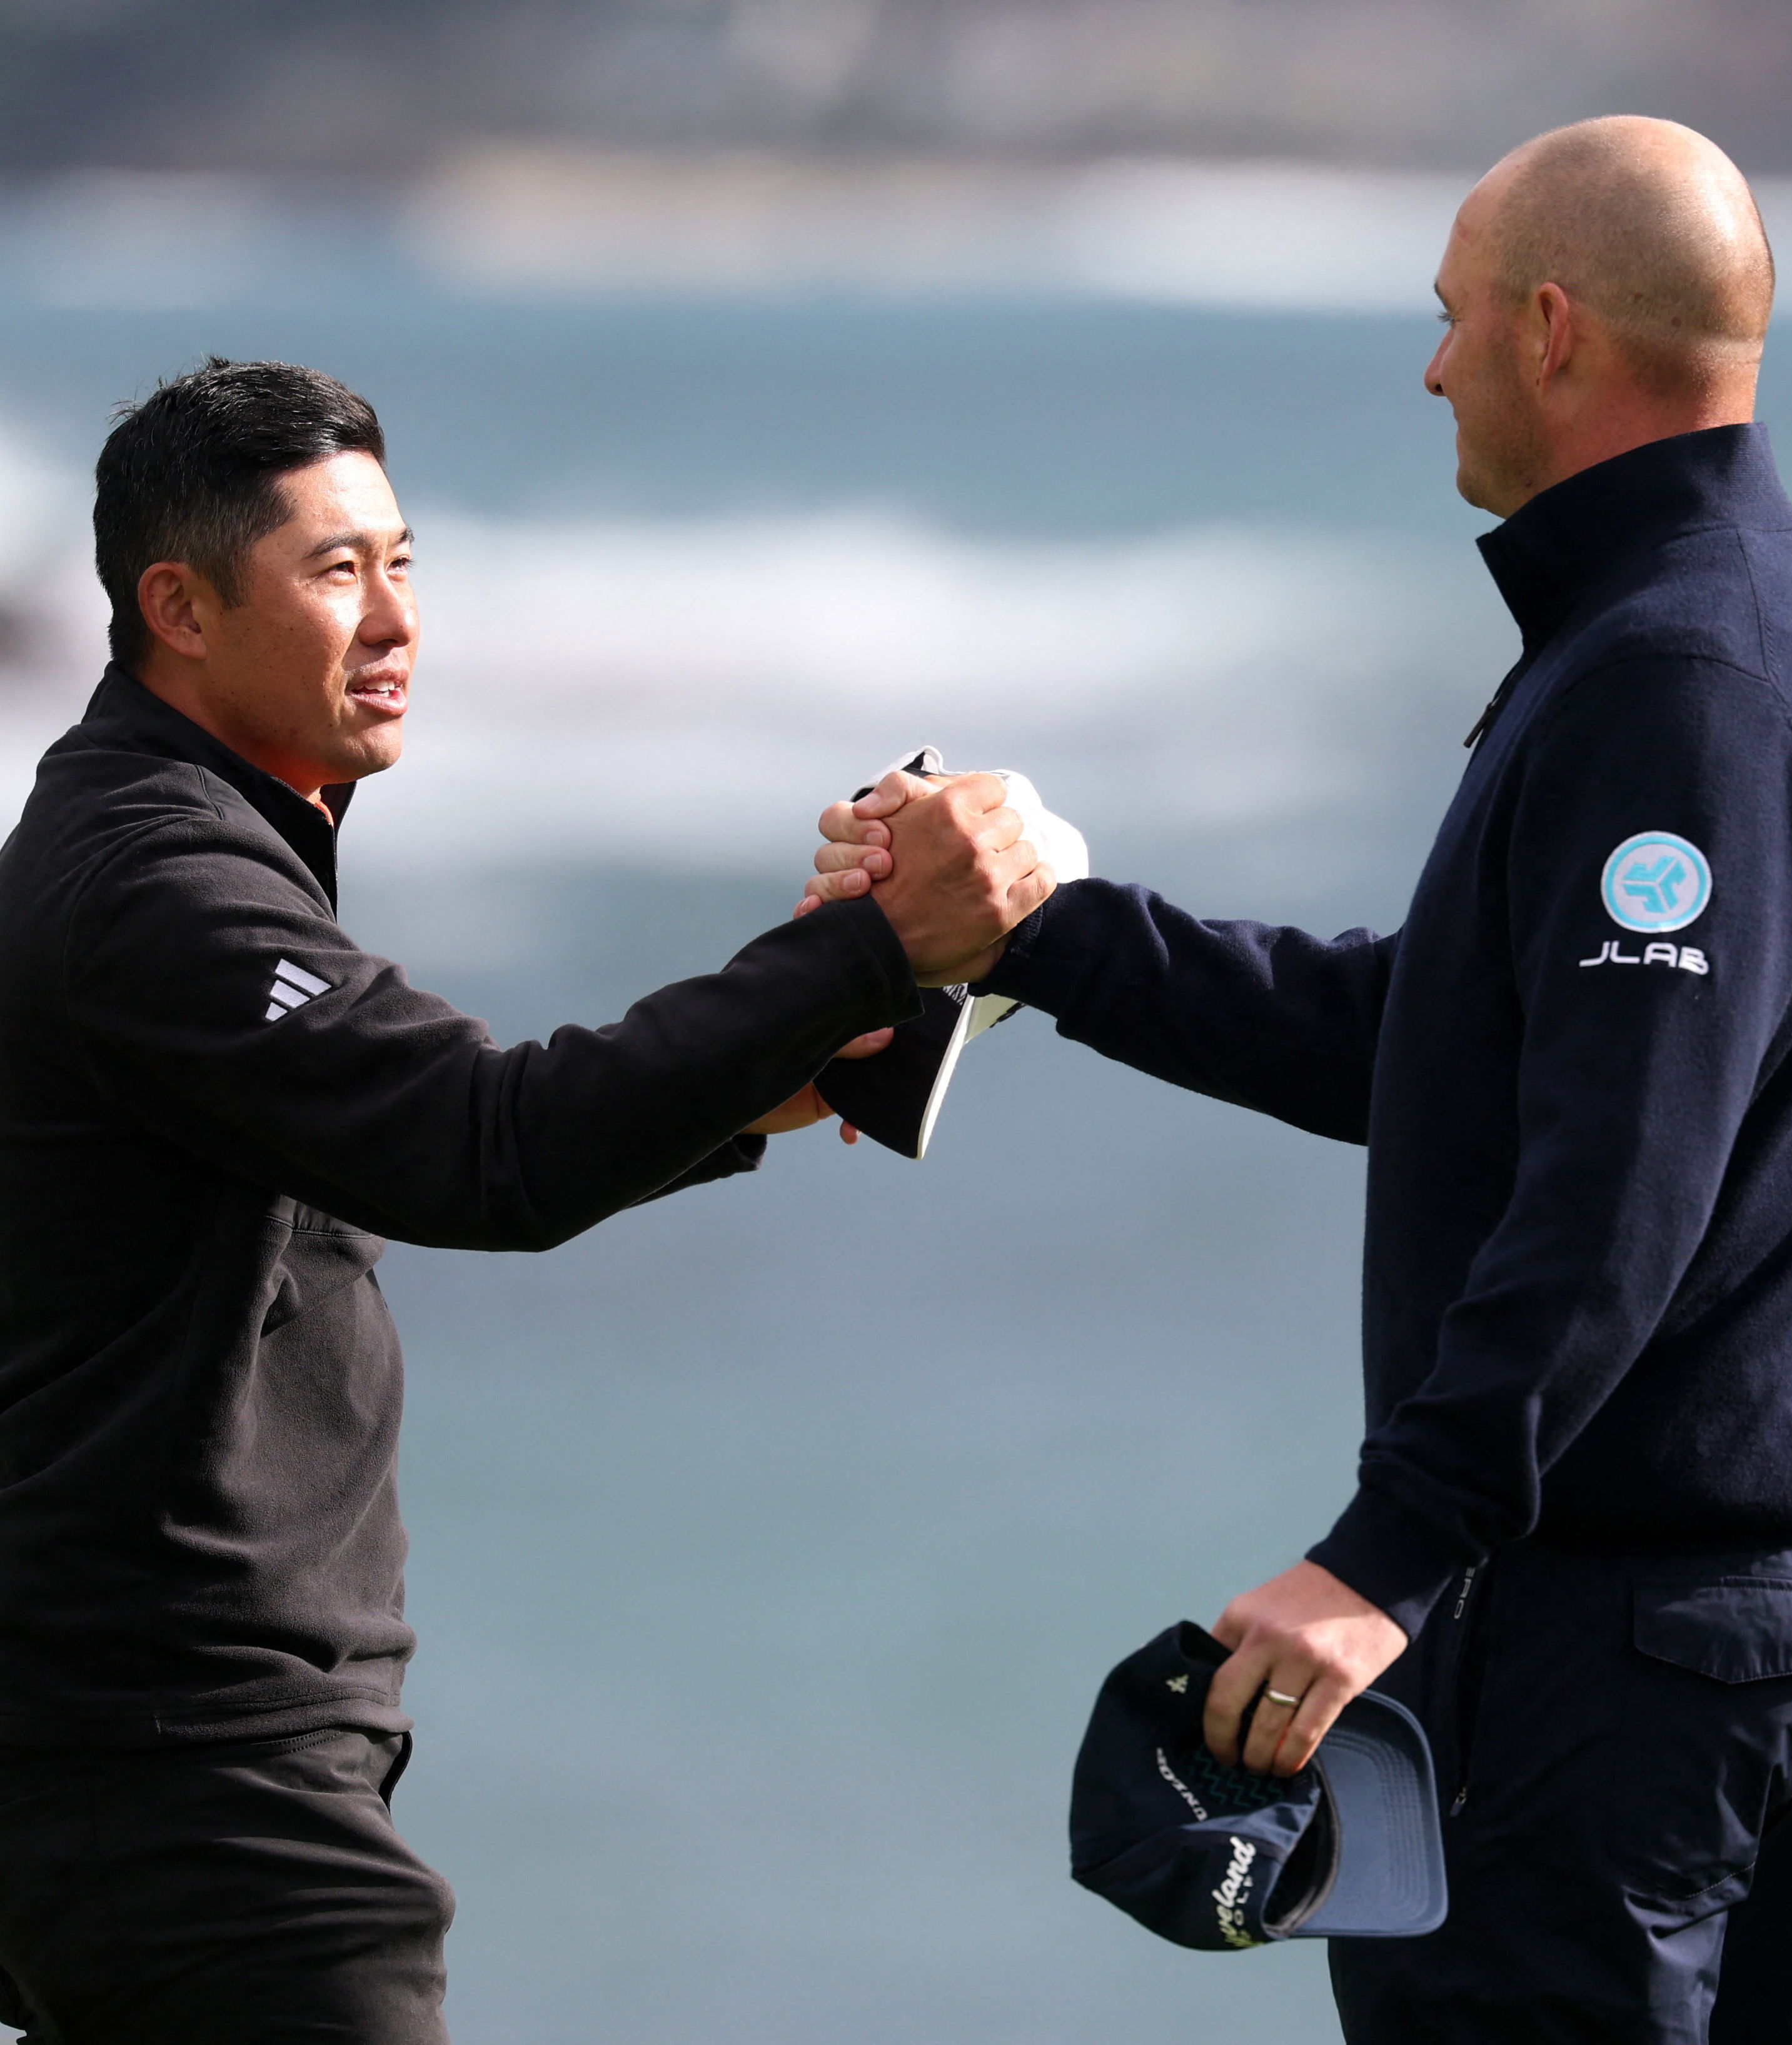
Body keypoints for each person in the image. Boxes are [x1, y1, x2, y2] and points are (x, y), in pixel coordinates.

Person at [807, 118, 1792, 2040]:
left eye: (1446, 320)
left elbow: (1621, 1180)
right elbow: (1447, 1048)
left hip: (1649, 1650)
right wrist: (1041, 935)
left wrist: (1384, 1558)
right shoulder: (1783, 610)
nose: (1428, 366)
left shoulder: (1678, 676)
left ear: (1549, 328)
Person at [0, 357, 1054, 2044]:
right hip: (188, 1783)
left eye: (405, 561)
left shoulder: (168, 838)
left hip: (140, 1759)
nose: (398, 617)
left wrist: (781, 1065)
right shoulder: (160, 883)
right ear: (177, 608)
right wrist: (861, 946)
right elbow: (485, 1146)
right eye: (337, 571)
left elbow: (432, 1131)